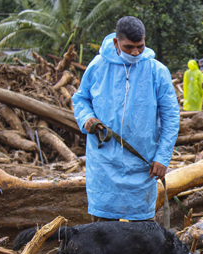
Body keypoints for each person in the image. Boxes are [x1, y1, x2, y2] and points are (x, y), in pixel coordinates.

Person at [72, 16, 179, 222]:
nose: (135, 52)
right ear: (116, 42)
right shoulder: (98, 66)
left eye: (140, 46)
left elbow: (171, 116)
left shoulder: (157, 71)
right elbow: (81, 98)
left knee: (143, 230)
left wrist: (162, 157)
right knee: (103, 230)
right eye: (129, 47)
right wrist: (86, 118)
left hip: (143, 162)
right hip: (103, 161)